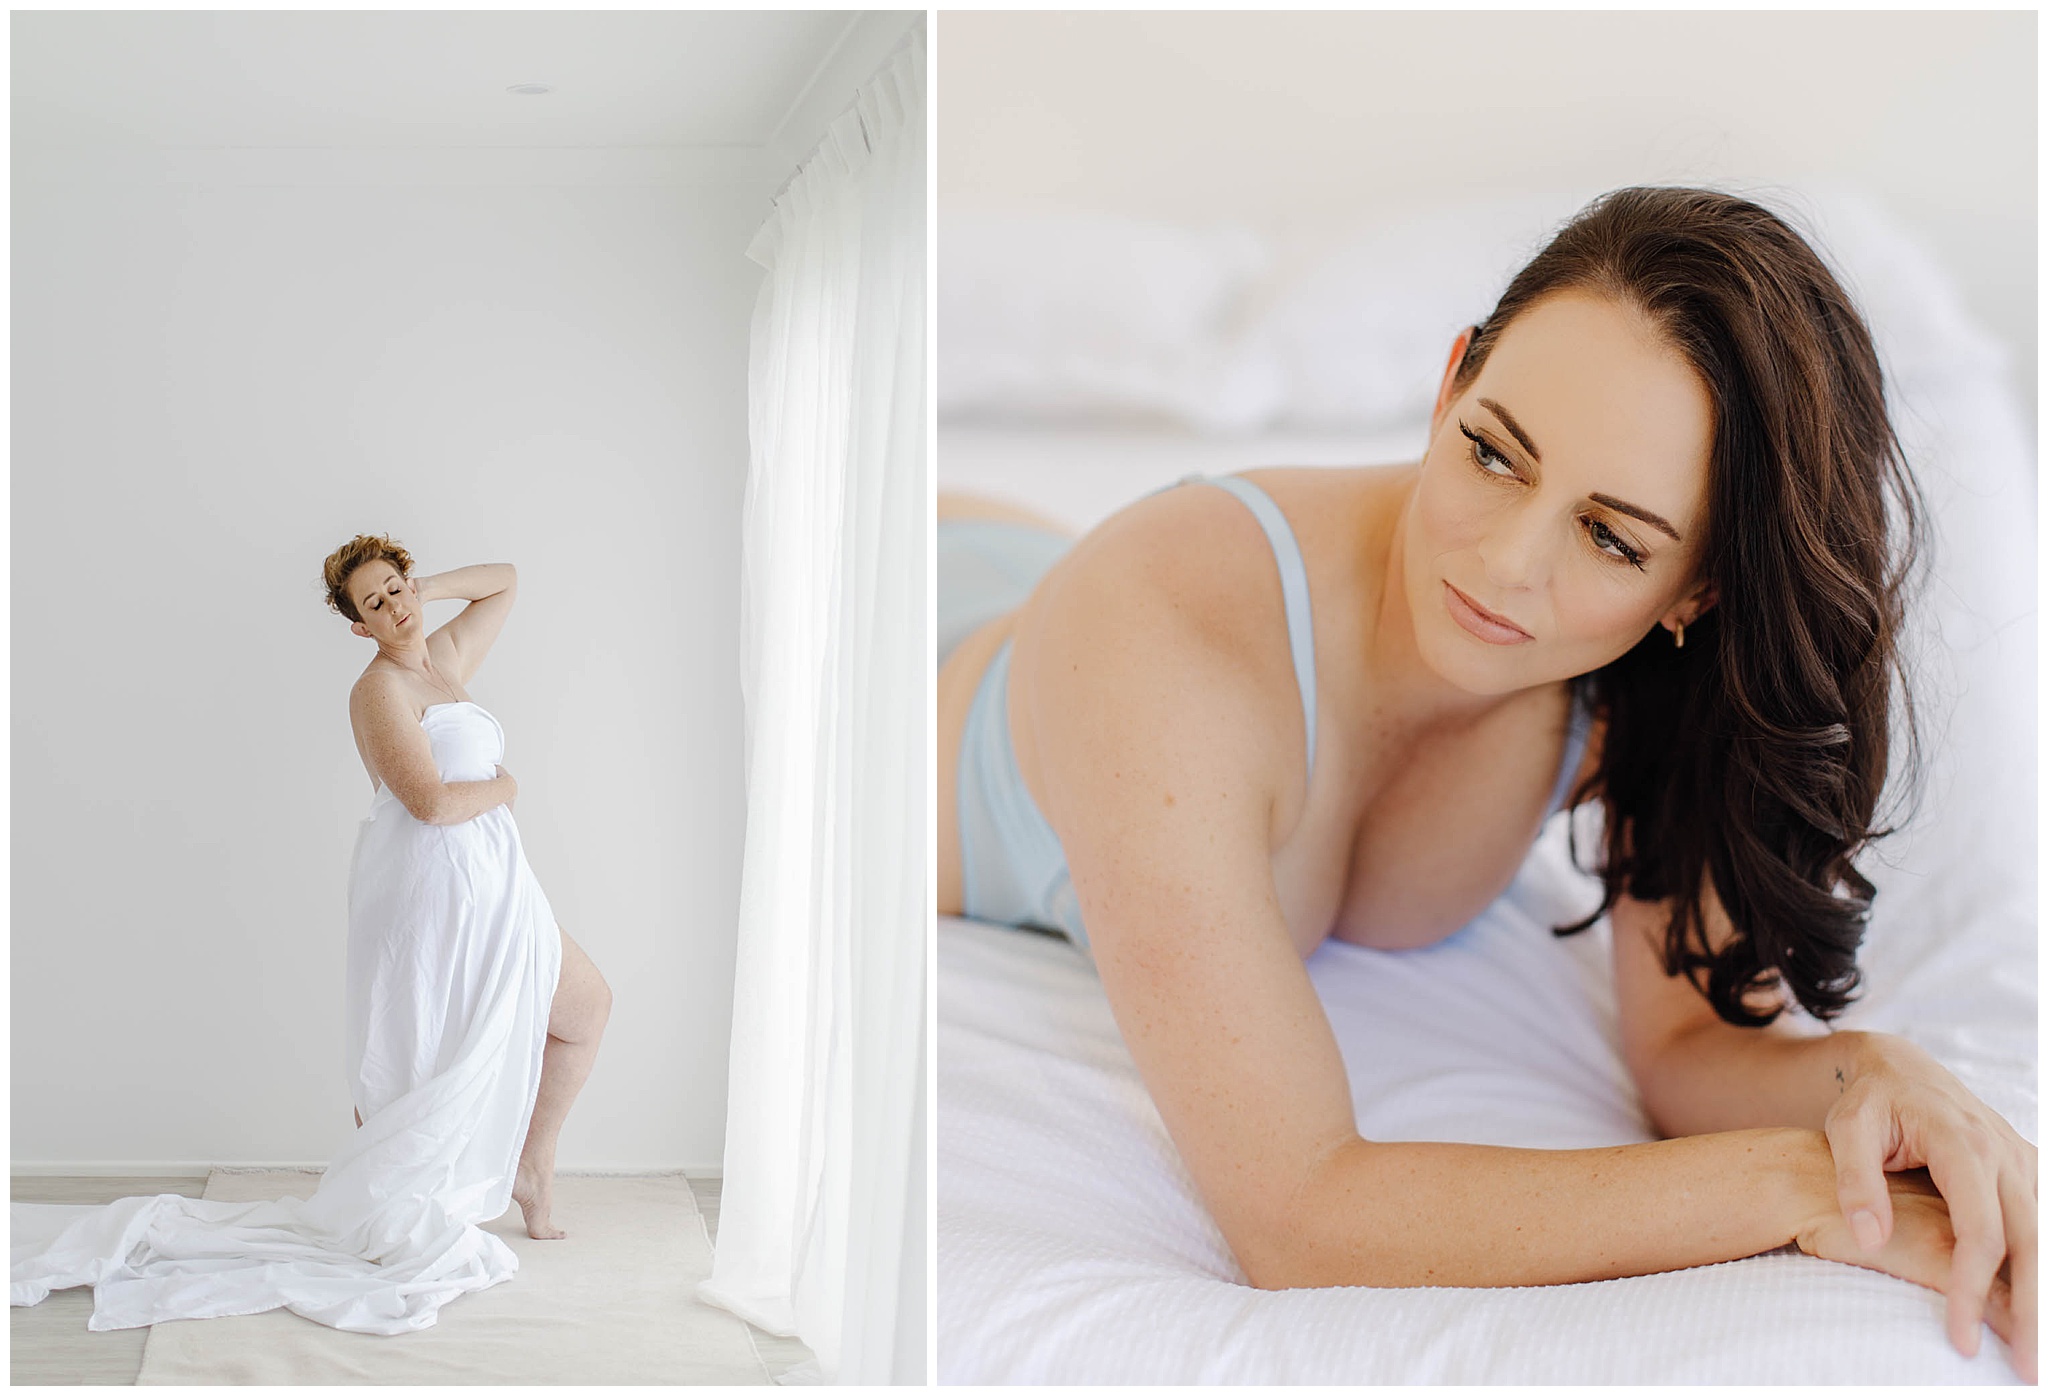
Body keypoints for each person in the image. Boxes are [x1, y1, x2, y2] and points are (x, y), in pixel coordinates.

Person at [936, 187, 2035, 1378]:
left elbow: (1680, 1043)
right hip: (911, 642)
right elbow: (1297, 1212)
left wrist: (1873, 1075)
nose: (1505, 565)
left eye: (1609, 537)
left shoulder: (1631, 687)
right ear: (1449, 382)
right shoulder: (1162, 635)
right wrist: (1789, 1181)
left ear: (1695, 594)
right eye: (1491, 452)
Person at [11, 538, 613, 1335]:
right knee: (420, 1056)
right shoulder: (378, 690)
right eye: (376, 603)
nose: (395, 607)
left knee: (585, 1010)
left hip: (499, 884)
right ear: (358, 626)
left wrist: (423, 586)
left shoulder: (442, 654)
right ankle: (393, 1205)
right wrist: (507, 785)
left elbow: (505, 581)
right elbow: (429, 803)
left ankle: (531, 1168)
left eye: (396, 588)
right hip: (429, 893)